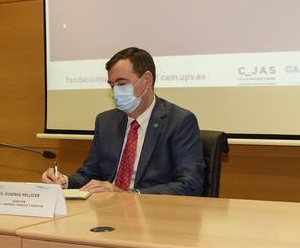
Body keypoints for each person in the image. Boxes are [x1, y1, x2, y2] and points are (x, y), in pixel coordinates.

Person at [42, 47, 205, 195]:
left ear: (147, 80)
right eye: (112, 85)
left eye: (121, 84)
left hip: (152, 216)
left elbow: (190, 184)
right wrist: (65, 181)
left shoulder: (179, 121)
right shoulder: (106, 121)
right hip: (105, 212)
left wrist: (128, 195)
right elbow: (90, 175)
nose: (115, 92)